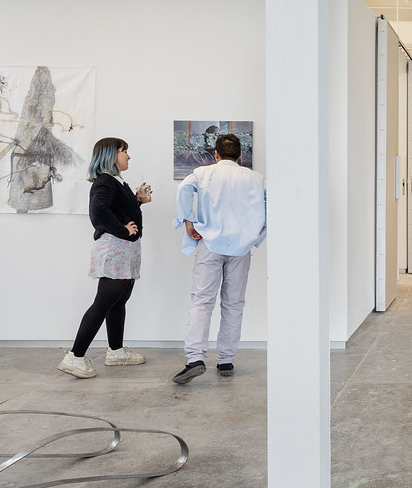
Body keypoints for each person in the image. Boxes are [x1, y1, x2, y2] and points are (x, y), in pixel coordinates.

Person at [173, 132, 267, 384]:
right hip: (241, 248)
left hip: (210, 244)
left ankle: (195, 359)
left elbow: (183, 188)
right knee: (234, 304)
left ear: (215, 155)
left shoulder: (203, 173)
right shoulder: (256, 178)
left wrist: (188, 221)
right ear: (240, 156)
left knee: (202, 302)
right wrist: (257, 235)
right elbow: (272, 204)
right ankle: (226, 360)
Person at [58, 137, 152, 379]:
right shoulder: (105, 182)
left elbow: (121, 212)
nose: (128, 156)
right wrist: (123, 230)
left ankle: (116, 351)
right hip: (115, 249)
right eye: (124, 152)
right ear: (112, 155)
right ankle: (74, 357)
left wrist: (138, 200)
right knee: (103, 302)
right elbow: (99, 212)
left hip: (124, 250)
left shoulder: (117, 182)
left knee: (118, 301)